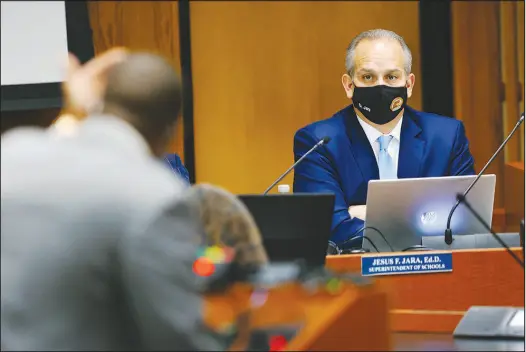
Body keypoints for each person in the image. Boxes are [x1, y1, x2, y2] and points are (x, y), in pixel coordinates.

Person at [1, 49, 224, 350]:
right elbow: (176, 340)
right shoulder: (154, 195)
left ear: (102, 104)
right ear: (170, 129)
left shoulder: (13, 153)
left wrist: (75, 111)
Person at [293, 29, 475, 247]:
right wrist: (421, 221)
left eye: (391, 77)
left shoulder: (447, 136)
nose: (381, 87)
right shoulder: (318, 142)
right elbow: (329, 229)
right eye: (367, 77)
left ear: (408, 85)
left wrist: (366, 214)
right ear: (349, 85)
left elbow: (466, 223)